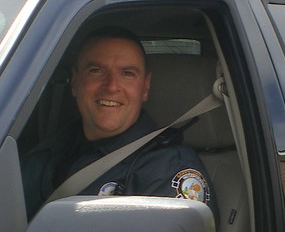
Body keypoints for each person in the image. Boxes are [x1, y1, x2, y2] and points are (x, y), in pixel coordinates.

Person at [21, 26, 216, 218]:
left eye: (127, 73)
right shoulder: (50, 149)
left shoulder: (167, 169)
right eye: (96, 70)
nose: (112, 86)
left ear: (145, 87)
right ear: (74, 82)